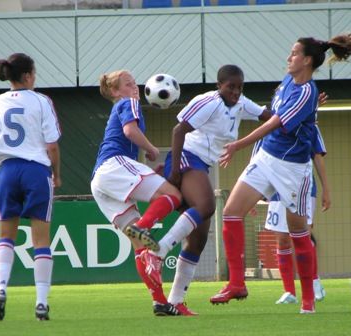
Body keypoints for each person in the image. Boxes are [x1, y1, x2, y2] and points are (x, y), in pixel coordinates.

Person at [210, 33, 351, 314]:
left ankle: (307, 299)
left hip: (292, 169)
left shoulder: (307, 92)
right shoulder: (288, 83)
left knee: (298, 233)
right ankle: (236, 283)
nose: (288, 57)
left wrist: (239, 144)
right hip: (266, 157)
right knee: (231, 212)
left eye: (293, 53)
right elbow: (273, 120)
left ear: (306, 61)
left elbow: (276, 123)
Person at [133, 64, 271, 315]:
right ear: (219, 86)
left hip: (201, 165)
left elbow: (269, 117)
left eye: (240, 87)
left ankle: (174, 302)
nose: (236, 91)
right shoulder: (207, 101)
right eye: (231, 86)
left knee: (198, 239)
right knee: (207, 206)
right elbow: (178, 131)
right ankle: (157, 252)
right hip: (186, 158)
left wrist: (301, 114)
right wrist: (174, 171)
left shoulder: (241, 103)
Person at [90, 70, 183, 316]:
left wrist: (147, 170)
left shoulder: (121, 105)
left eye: (135, 84)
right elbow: (130, 132)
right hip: (114, 164)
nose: (135, 88)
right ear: (115, 92)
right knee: (173, 195)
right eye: (128, 84)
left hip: (101, 180)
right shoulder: (128, 102)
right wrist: (153, 149)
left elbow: (126, 140)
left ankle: (160, 303)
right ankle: (142, 224)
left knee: (142, 247)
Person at [0, 53, 62, 321]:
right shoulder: (42, 101)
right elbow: (52, 145)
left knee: (5, 237)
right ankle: (41, 303)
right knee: (41, 241)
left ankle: (0, 290)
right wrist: (57, 174)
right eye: (35, 73)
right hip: (36, 171)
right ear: (28, 75)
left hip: (7, 171)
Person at [262, 122, 331, 304]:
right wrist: (257, 195)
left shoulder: (310, 126)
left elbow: (318, 157)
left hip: (304, 188)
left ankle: (314, 281)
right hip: (276, 190)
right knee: (282, 239)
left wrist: (326, 190)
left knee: (303, 237)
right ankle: (289, 292)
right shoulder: (269, 127)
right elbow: (261, 161)